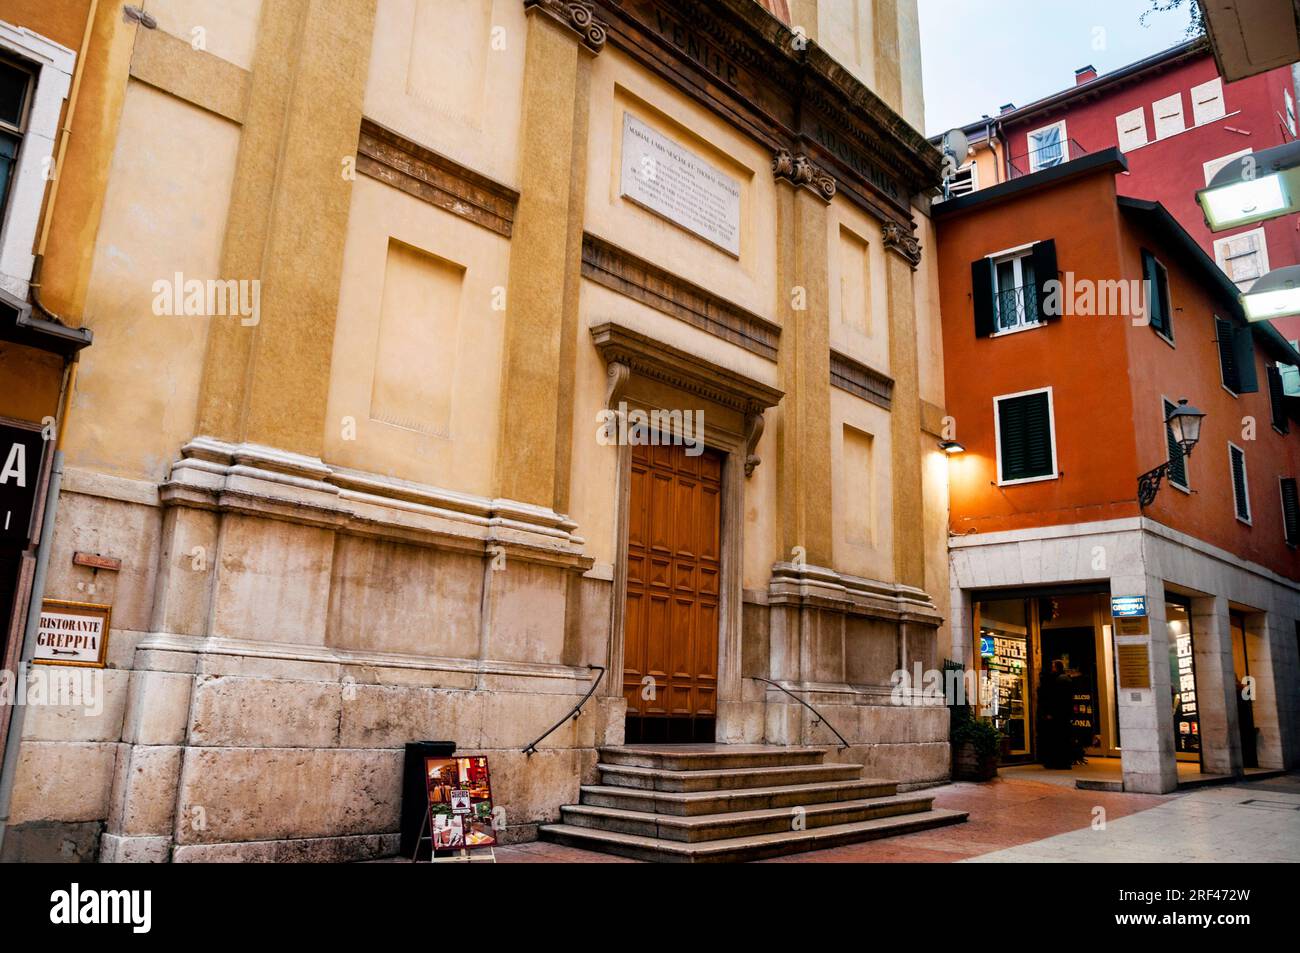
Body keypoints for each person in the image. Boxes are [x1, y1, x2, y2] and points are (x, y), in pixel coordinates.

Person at [1037, 659, 1074, 769]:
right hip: (1064, 714)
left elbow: (1055, 698)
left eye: (1053, 666)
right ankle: (1064, 762)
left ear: (1056, 667)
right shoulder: (1066, 679)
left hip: (1058, 715)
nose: (1052, 668)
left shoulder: (1058, 680)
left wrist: (1050, 713)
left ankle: (1057, 762)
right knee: (1063, 739)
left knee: (1056, 738)